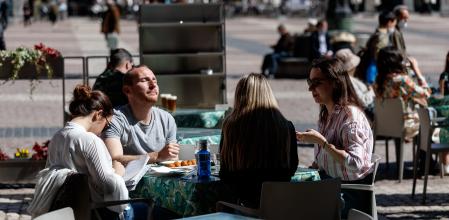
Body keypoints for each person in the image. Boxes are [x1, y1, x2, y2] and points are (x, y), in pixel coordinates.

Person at [27, 85, 131, 219]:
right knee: (151, 210)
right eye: (107, 124)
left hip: (67, 210)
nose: (104, 129)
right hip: (93, 212)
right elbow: (107, 186)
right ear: (98, 114)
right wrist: (118, 173)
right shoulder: (90, 140)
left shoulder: (58, 136)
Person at [296, 58, 374, 217]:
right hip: (331, 184)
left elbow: (356, 163)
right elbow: (325, 162)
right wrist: (312, 168)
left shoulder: (350, 117)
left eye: (317, 82)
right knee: (291, 197)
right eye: (309, 82)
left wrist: (322, 143)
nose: (311, 89)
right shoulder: (327, 115)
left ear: (335, 82)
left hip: (350, 192)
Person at [219, 73, 298, 209]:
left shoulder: (231, 126)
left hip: (245, 205)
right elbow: (292, 167)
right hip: (280, 204)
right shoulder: (285, 126)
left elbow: (225, 174)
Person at [103, 65, 180, 165]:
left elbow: (173, 159)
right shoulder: (115, 119)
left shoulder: (167, 119)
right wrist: (157, 156)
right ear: (127, 90)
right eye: (144, 80)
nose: (153, 85)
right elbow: (114, 159)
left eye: (155, 80)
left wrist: (168, 156)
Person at [375, 46, 431, 141]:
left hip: (385, 125)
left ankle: (423, 155)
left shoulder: (378, 80)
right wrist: (417, 70)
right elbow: (426, 93)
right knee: (431, 123)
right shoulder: (402, 80)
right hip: (404, 126)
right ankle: (424, 155)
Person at [355, 11, 396, 85]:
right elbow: (378, 55)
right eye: (394, 23)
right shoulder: (382, 37)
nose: (394, 26)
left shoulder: (377, 33)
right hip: (375, 70)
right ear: (389, 22)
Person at [335, 48, 375, 121]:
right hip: (361, 116)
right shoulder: (349, 81)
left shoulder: (341, 80)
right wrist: (371, 91)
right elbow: (363, 101)